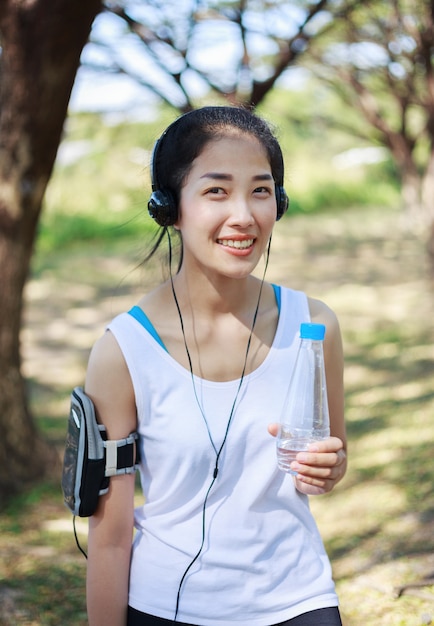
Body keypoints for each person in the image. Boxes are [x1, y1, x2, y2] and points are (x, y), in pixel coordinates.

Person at [84, 106, 347, 626]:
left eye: (261, 190)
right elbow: (110, 541)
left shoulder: (314, 326)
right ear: (169, 208)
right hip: (167, 607)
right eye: (216, 191)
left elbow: (331, 462)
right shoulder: (123, 351)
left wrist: (330, 468)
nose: (244, 216)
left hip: (299, 600)